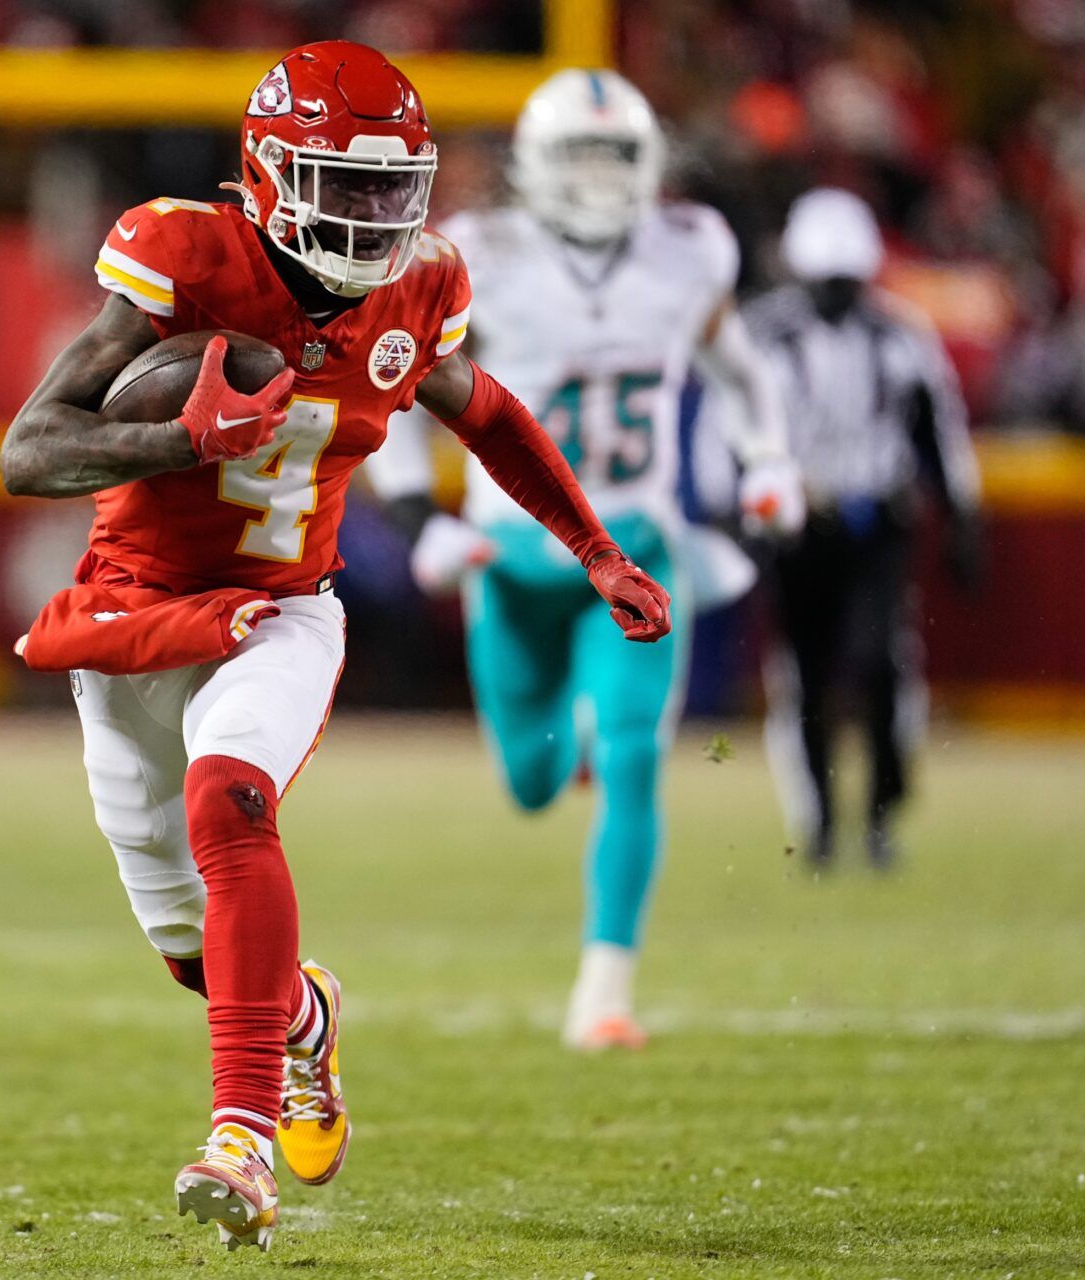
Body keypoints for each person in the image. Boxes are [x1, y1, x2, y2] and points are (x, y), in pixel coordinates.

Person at [0, 42, 672, 1252]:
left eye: (386, 189)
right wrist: (177, 441)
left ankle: (240, 1140)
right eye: (341, 186)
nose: (369, 218)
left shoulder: (418, 291)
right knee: (192, 955)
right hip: (136, 609)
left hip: (282, 609)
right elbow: (28, 449)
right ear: (266, 172)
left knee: (231, 800)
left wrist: (594, 547)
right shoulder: (182, 255)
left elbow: (491, 414)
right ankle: (303, 1017)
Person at [364, 70, 803, 1053]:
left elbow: (741, 370)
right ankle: (573, 739)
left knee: (640, 755)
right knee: (529, 778)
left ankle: (604, 988)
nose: (602, 180)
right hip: (515, 555)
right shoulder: (477, 257)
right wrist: (414, 516)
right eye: (583, 156)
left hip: (638, 544)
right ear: (536, 166)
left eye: (618, 157)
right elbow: (386, 386)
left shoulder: (690, 252)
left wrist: (769, 457)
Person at [743, 188, 982, 870]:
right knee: (805, 677)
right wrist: (742, 514)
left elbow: (938, 428)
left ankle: (881, 811)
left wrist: (963, 513)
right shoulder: (765, 336)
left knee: (879, 662)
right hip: (796, 527)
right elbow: (730, 431)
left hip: (877, 519)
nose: (838, 298)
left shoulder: (900, 334)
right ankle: (815, 818)